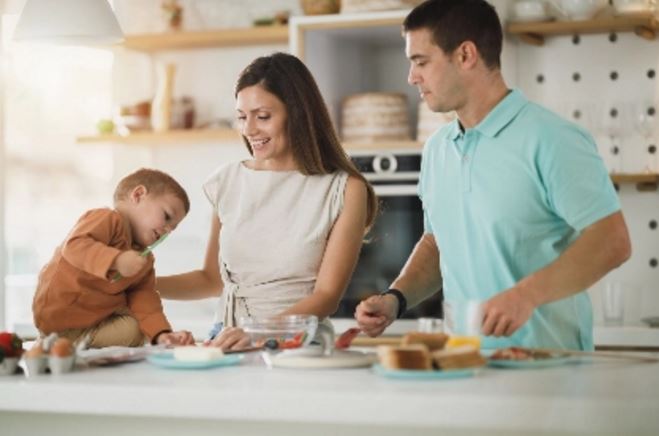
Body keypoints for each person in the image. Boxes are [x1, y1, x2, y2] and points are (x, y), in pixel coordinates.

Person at [355, 0, 631, 351]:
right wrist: (396, 297)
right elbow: (439, 242)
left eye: (421, 61)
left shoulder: (552, 139)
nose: (412, 77)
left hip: (550, 365)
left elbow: (612, 241)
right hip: (465, 361)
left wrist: (526, 296)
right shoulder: (437, 148)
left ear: (466, 55)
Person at [156, 52, 378, 350]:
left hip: (298, 345)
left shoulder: (344, 189)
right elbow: (212, 280)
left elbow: (326, 297)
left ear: (298, 113)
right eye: (241, 117)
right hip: (228, 340)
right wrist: (142, 285)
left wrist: (259, 332)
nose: (249, 130)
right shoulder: (228, 182)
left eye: (262, 116)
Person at [33, 168, 195, 348]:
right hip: (60, 318)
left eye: (173, 228)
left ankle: (75, 344)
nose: (168, 231)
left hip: (95, 324)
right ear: (138, 195)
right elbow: (74, 246)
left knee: (139, 327)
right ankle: (63, 342)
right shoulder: (107, 218)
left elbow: (144, 297)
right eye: (166, 216)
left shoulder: (144, 259)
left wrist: (162, 334)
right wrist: (116, 260)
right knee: (135, 326)